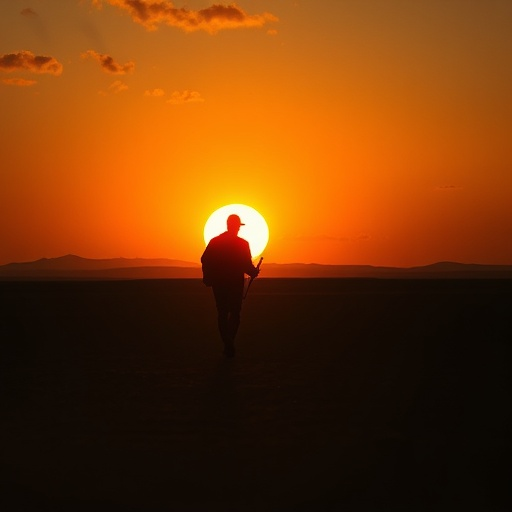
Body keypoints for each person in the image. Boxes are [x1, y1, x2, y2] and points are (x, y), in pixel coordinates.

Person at [201, 214, 260, 357]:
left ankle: (228, 344)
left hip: (219, 283)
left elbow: (204, 259)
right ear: (237, 226)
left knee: (222, 313)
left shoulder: (215, 241)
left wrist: (208, 276)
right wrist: (253, 272)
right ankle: (229, 343)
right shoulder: (242, 244)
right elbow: (246, 264)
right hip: (234, 283)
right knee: (234, 313)